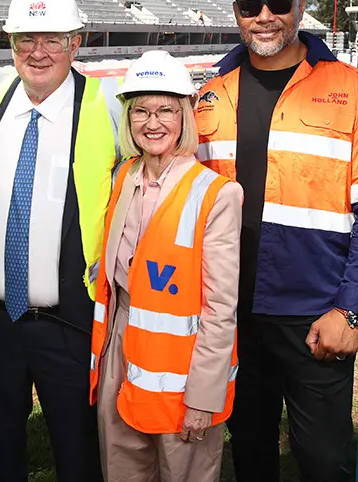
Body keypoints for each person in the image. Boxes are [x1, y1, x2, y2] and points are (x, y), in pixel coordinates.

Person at [195, 0, 358, 481]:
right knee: (251, 448)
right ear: (235, 10)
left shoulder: (350, 90)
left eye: (278, 3)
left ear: (301, 5)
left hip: (315, 313)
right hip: (232, 312)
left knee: (323, 458)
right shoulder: (211, 95)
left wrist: (349, 310)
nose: (265, 16)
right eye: (249, 5)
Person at [0, 0, 120, 482]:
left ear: (77, 42)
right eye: (26, 38)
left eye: (53, 39)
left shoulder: (107, 105)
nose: (38, 51)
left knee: (78, 448)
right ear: (11, 43)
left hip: (69, 317)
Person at [89, 50, 243, 482]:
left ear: (186, 117)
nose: (152, 123)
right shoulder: (125, 177)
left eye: (165, 111)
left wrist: (204, 396)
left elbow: (220, 308)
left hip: (182, 369)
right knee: (121, 466)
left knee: (183, 473)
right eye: (140, 110)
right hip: (121, 353)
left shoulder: (216, 194)